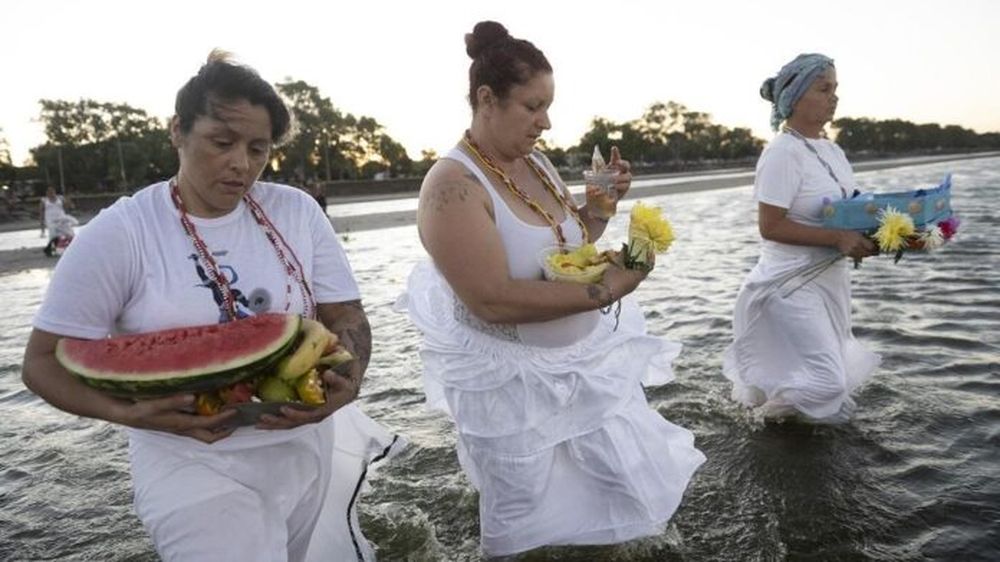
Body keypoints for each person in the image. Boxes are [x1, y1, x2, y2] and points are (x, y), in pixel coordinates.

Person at [21, 51, 401, 561]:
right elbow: (41, 362)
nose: (241, 163)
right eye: (222, 143)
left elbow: (347, 316)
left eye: (258, 149)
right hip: (188, 462)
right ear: (178, 130)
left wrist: (349, 382)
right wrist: (130, 414)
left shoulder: (297, 212)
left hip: (303, 450)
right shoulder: (122, 232)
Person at [395, 21, 704, 558]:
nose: (546, 122)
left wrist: (600, 207)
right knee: (527, 531)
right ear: (487, 99)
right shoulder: (452, 186)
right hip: (510, 390)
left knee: (625, 499)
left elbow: (570, 244)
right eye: (533, 107)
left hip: (583, 369)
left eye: (548, 106)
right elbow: (490, 299)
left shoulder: (534, 162)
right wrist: (605, 291)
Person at [722, 53, 881, 423]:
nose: (834, 97)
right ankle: (757, 423)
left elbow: (849, 211)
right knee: (827, 382)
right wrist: (837, 239)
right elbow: (770, 226)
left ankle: (785, 437)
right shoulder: (782, 152)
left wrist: (890, 234)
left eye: (835, 89)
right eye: (824, 88)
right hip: (790, 284)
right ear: (793, 97)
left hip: (829, 280)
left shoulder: (832, 150)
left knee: (821, 371)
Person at [39, 185, 78, 256]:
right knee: (54, 235)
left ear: (55, 191)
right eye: (49, 191)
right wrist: (42, 227)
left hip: (62, 219)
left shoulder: (60, 198)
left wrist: (68, 201)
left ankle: (73, 248)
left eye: (52, 191)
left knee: (70, 234)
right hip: (51, 220)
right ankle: (50, 250)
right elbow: (41, 213)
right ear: (46, 192)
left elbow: (70, 207)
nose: (51, 193)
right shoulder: (44, 200)